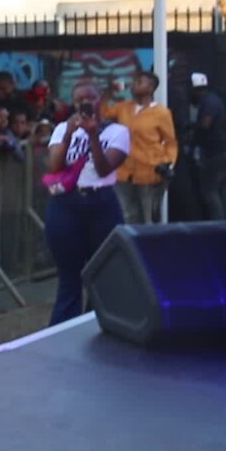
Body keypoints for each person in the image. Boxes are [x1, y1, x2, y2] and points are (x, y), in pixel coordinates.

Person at [44, 81, 129, 325]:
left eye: (90, 97)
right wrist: (71, 133)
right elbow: (55, 166)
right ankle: (62, 329)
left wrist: (93, 135)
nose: (85, 103)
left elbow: (104, 169)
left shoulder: (117, 132)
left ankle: (99, 323)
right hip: (66, 203)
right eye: (79, 99)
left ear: (100, 99)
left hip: (100, 201)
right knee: (69, 275)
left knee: (101, 270)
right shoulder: (63, 128)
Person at [102, 72, 177, 225]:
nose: (134, 84)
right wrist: (108, 93)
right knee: (127, 214)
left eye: (139, 82)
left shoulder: (161, 113)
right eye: (135, 81)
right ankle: (131, 247)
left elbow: (170, 142)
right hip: (124, 170)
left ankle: (150, 247)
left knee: (148, 218)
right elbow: (103, 113)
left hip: (149, 170)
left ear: (150, 88)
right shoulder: (124, 107)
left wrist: (167, 162)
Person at [188, 72, 226, 220]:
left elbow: (205, 124)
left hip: (216, 153)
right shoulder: (217, 99)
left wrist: (191, 128)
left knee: (210, 190)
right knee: (223, 190)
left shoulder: (208, 102)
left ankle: (218, 224)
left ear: (196, 89)